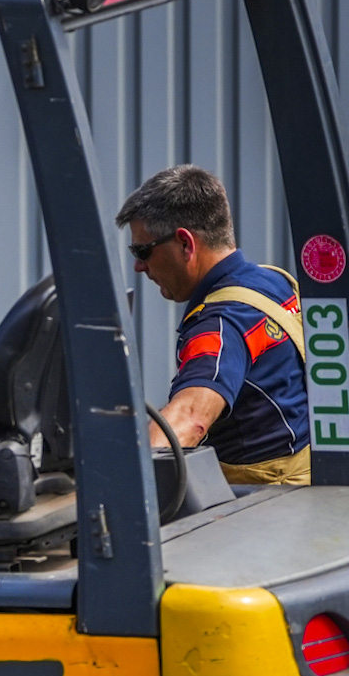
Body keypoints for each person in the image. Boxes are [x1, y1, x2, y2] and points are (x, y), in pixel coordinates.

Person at [117, 165, 310, 485]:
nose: (138, 266)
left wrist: (117, 484)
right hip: (310, 477)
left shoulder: (221, 324)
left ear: (185, 243)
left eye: (142, 251)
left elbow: (189, 419)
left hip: (264, 499)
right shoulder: (274, 282)